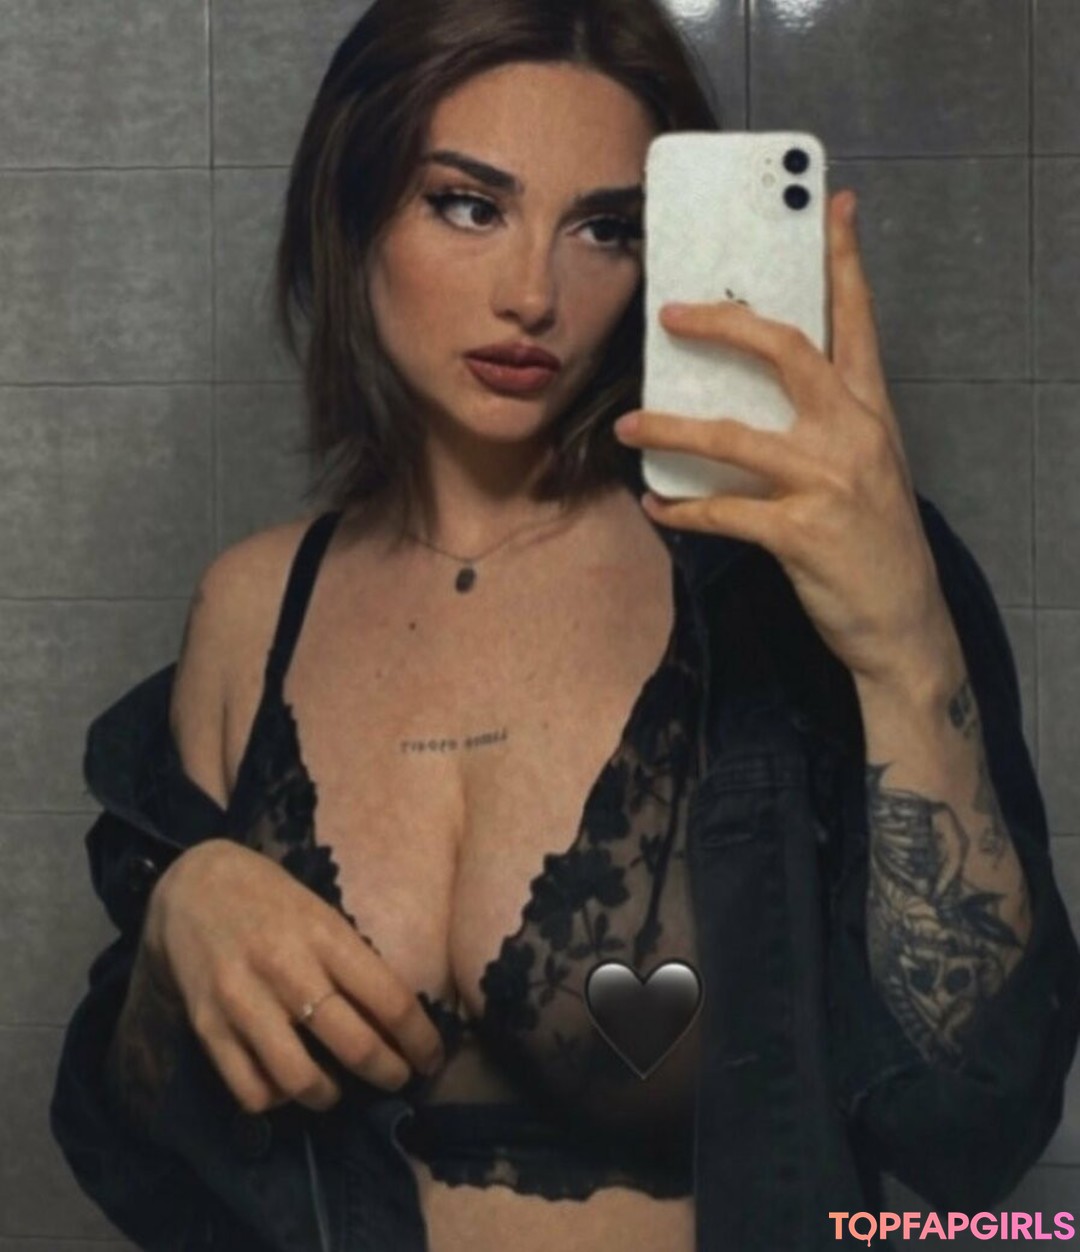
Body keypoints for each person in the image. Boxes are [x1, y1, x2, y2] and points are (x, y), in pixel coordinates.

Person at [50, 1, 1080, 1250]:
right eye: (468, 205)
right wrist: (179, 921)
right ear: (354, 207)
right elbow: (146, 1149)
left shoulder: (789, 573)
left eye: (605, 228)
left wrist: (907, 647)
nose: (535, 294)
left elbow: (974, 1126)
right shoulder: (253, 605)